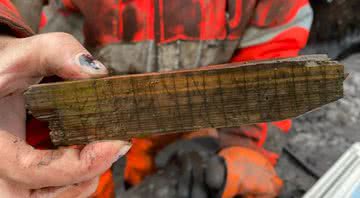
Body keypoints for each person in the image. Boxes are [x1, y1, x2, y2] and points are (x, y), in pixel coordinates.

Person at [0, 0, 313, 197]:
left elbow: (273, 51)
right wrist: (5, 36)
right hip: (74, 137)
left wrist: (246, 147)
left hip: (192, 132)